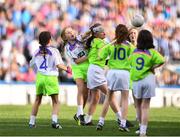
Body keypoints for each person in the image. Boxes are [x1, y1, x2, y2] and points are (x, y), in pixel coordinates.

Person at [29, 31, 71, 129]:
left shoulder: (36, 51)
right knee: (56, 101)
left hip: (40, 77)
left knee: (37, 100)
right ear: (49, 40)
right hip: (51, 77)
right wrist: (67, 69)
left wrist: (38, 72)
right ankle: (54, 122)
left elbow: (31, 64)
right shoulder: (54, 51)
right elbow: (58, 64)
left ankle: (31, 122)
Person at [98, 24, 135, 132]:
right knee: (124, 99)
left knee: (108, 98)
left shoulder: (111, 45)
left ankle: (101, 121)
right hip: (124, 72)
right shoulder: (129, 46)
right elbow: (134, 58)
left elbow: (100, 55)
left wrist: (108, 45)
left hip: (112, 72)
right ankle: (123, 124)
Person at [129, 29, 165, 136]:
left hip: (136, 81)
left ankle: (141, 129)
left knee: (138, 106)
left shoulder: (134, 51)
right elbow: (162, 60)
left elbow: (130, 62)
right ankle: (143, 132)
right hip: (148, 79)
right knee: (145, 106)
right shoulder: (152, 52)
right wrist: (152, 67)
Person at [61, 26, 91, 125]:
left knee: (86, 94)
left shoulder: (79, 38)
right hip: (78, 68)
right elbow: (77, 61)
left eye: (71, 31)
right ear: (65, 37)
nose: (71, 33)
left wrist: (91, 30)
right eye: (68, 33)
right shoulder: (67, 48)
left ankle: (78, 113)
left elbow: (86, 34)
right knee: (80, 88)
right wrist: (89, 55)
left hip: (88, 66)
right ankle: (81, 114)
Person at [85, 23, 110, 129]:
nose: (104, 33)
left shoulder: (99, 41)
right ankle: (121, 119)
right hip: (96, 70)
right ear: (96, 34)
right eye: (101, 31)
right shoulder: (98, 42)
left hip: (95, 69)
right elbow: (104, 52)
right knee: (110, 94)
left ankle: (88, 119)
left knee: (96, 96)